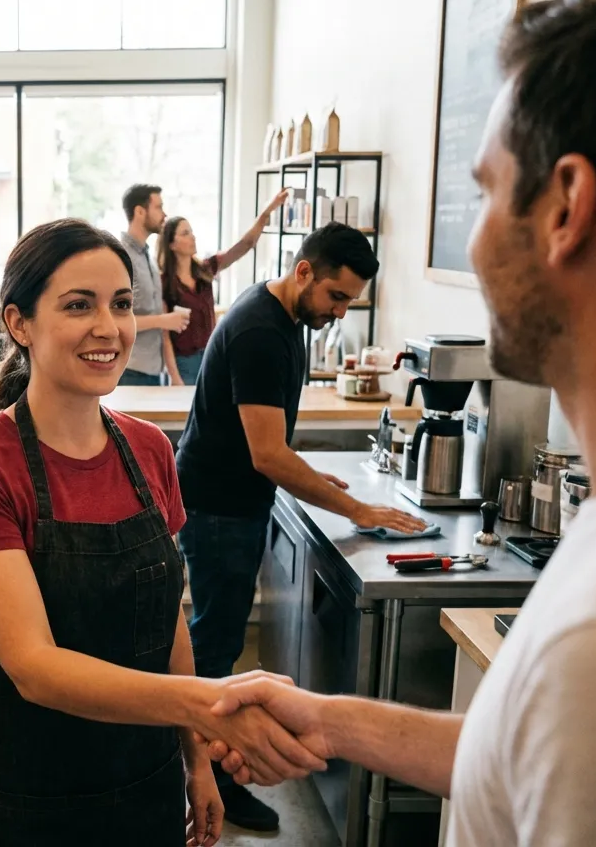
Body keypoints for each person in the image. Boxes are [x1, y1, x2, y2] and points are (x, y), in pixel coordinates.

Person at [205, 2, 596, 845]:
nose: (472, 238)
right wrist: (331, 722)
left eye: (482, 191)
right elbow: (510, 750)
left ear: (566, 207)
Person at [0, 219, 326, 847]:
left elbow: (165, 618)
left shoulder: (148, 451)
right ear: (19, 324)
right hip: (19, 791)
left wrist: (196, 761)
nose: (108, 328)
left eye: (121, 304)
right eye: (77, 305)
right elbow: (35, 668)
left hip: (144, 782)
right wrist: (204, 704)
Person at [174, 222, 425, 831]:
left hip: (228, 501)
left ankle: (204, 773)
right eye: (336, 297)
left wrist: (312, 477)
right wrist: (360, 511)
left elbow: (269, 439)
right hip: (218, 508)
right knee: (214, 647)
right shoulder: (262, 330)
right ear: (305, 271)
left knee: (216, 641)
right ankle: (210, 786)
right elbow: (266, 453)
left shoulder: (284, 318)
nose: (338, 312)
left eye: (349, 302)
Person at [158, 192, 289, 386]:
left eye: (192, 231)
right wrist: (174, 376)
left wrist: (267, 211)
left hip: (212, 356)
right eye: (185, 233)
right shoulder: (164, 282)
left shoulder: (205, 270)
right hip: (183, 363)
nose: (193, 236)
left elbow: (246, 244)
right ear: (171, 244)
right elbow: (164, 336)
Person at [118, 184, 191, 385]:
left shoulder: (147, 257)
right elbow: (117, 318)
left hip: (153, 370)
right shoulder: (122, 257)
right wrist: (163, 320)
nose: (164, 214)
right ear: (140, 212)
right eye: (158, 207)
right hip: (131, 370)